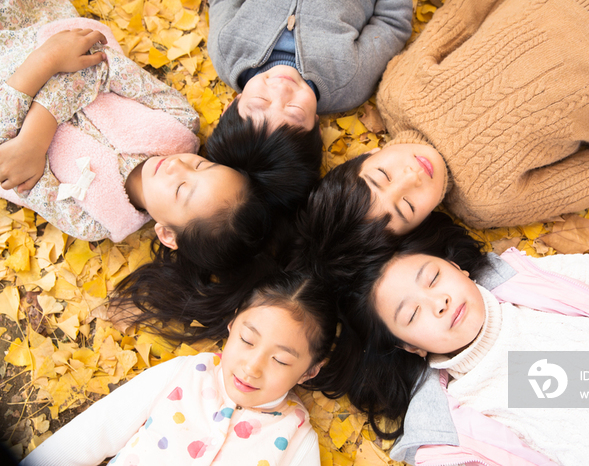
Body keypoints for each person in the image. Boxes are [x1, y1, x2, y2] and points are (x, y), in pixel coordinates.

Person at [2, 2, 323, 301]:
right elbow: (102, 63)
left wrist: (39, 71)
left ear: (167, 234)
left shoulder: (96, 221)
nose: (178, 167)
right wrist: (35, 132)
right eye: (201, 166)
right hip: (40, 22)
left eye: (183, 189)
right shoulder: (178, 122)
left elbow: (11, 168)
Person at [321, 212, 589, 464]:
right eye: (412, 313)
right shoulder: (452, 423)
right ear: (409, 345)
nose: (438, 303)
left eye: (434, 278)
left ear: (458, 269)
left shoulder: (533, 279)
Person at [310, 0, 589, 233]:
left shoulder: (398, 93)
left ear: (365, 158)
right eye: (408, 207)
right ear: (424, 222)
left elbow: (463, 15)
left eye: (383, 176)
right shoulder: (488, 204)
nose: (411, 178)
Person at [21, 272, 336, 466]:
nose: (251, 367)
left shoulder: (296, 437)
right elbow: (95, 431)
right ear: (232, 322)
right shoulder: (185, 374)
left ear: (310, 371)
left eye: (280, 361)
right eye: (247, 339)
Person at [207, 0, 413, 130]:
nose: (282, 90)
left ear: (232, 105)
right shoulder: (349, 80)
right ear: (316, 125)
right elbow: (391, 23)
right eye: (294, 110)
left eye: (261, 100)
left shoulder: (226, 49)